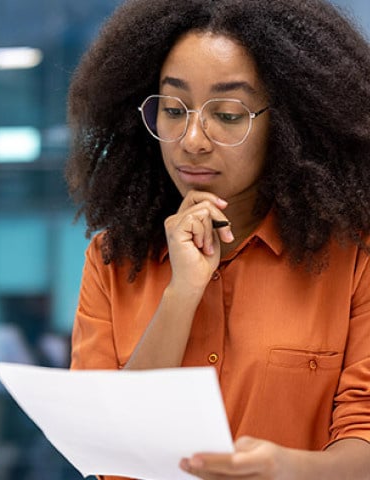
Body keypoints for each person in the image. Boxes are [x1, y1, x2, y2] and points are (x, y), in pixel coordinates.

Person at [65, 0, 370, 478]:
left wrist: (286, 469)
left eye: (227, 115)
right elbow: (107, 454)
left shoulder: (354, 258)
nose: (192, 140)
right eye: (173, 109)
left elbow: (364, 438)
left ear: (289, 123)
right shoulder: (110, 261)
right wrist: (180, 294)